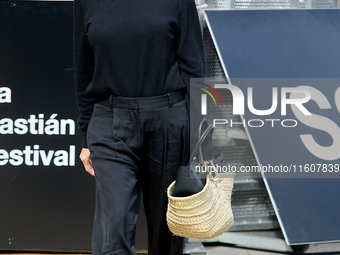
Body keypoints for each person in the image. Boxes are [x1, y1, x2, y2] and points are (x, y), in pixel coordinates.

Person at [73, 0, 212, 254]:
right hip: (109, 119)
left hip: (168, 118)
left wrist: (201, 141)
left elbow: (194, 67)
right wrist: (86, 138)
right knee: (114, 225)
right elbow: (84, 70)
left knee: (167, 232)